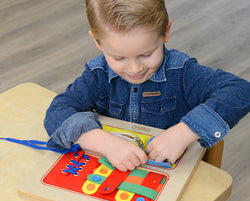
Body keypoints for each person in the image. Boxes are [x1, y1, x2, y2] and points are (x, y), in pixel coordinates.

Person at [44, 0, 250, 172]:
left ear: (166, 31)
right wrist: (103, 143)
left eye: (146, 54)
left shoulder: (181, 73)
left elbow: (241, 91)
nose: (134, 68)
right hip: (113, 171)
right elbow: (57, 111)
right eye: (118, 57)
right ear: (97, 41)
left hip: (169, 176)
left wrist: (184, 132)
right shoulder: (97, 75)